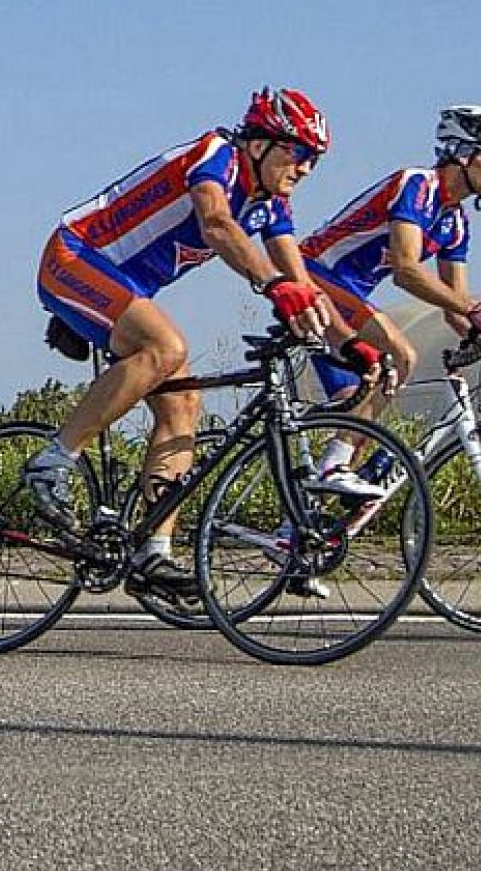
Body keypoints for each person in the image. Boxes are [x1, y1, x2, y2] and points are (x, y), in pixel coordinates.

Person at [25, 88, 383, 601]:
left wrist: (346, 345)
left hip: (125, 288)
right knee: (166, 348)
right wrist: (270, 285)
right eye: (299, 153)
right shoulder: (218, 156)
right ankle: (53, 462)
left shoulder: (270, 204)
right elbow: (217, 224)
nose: (305, 169)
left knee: (185, 403)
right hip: (75, 257)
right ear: (261, 143)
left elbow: (298, 280)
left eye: (315, 161)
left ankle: (154, 553)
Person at [300, 104, 481, 484]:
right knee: (401, 356)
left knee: (359, 419)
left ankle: (300, 530)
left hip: (348, 296)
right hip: (314, 276)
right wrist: (475, 309)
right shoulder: (417, 185)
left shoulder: (455, 224)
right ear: (464, 153)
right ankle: (330, 470)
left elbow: (457, 308)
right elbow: (406, 270)